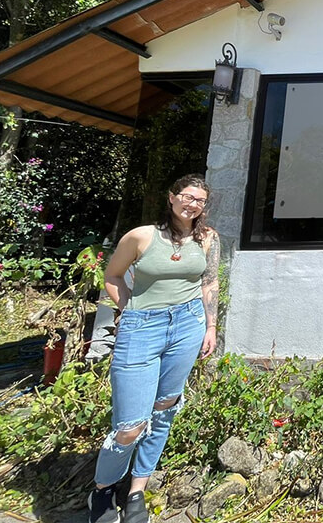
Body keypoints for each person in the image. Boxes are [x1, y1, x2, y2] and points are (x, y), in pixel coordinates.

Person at [88, 175, 220, 523]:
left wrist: (211, 326)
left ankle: (136, 490)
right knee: (130, 424)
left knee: (164, 409)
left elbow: (209, 282)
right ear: (172, 197)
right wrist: (128, 309)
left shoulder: (207, 238)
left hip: (188, 325)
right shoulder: (142, 236)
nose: (193, 204)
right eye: (188, 197)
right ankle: (102, 490)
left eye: (200, 200)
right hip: (142, 326)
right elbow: (113, 276)